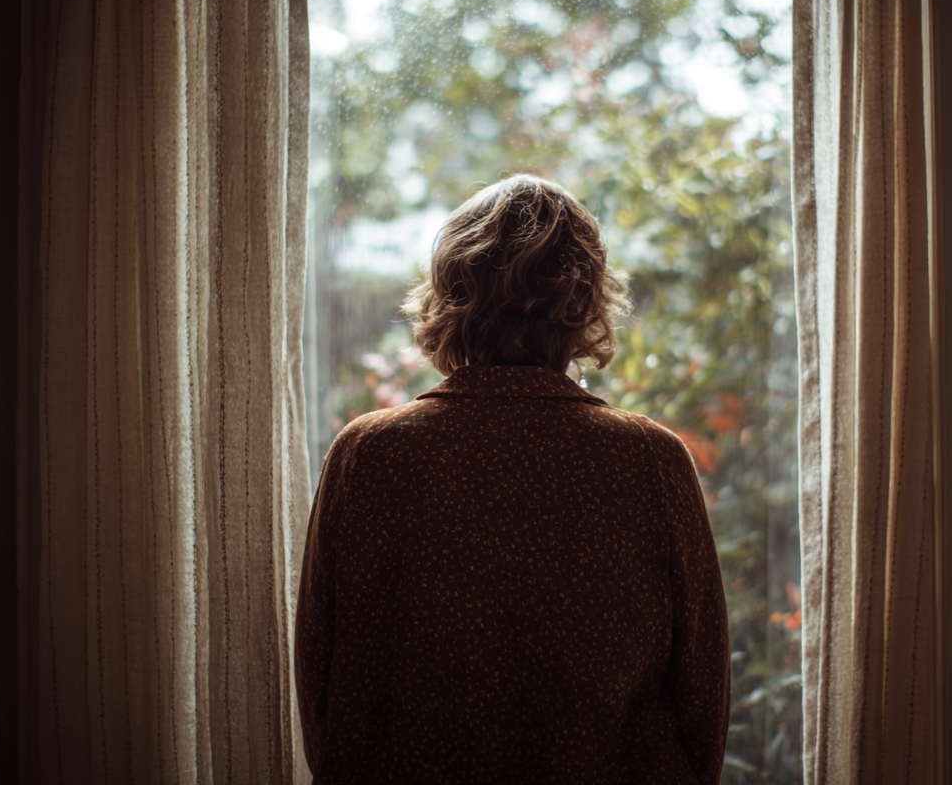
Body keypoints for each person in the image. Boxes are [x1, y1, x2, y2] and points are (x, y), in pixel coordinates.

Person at [295, 175, 729, 784]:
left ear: (450, 294)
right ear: (586, 303)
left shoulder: (368, 454)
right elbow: (702, 697)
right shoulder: (651, 460)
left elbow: (322, 690)